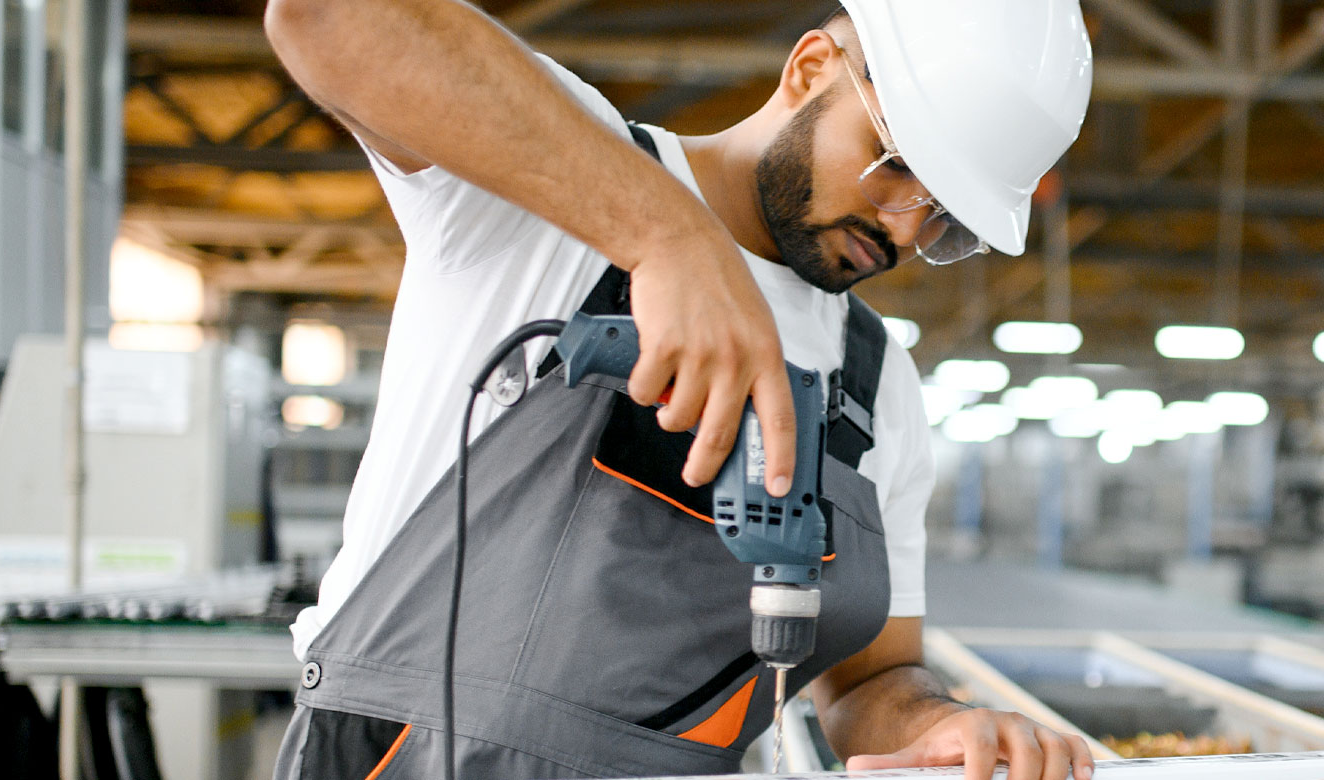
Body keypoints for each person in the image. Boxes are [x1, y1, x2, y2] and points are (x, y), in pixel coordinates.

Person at [260, 0, 1094, 777]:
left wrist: (933, 723)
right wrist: (668, 237)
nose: (905, 227)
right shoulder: (560, 180)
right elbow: (326, 17)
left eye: (944, 218)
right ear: (810, 69)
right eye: (897, 166)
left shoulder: (878, 388)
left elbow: (869, 685)